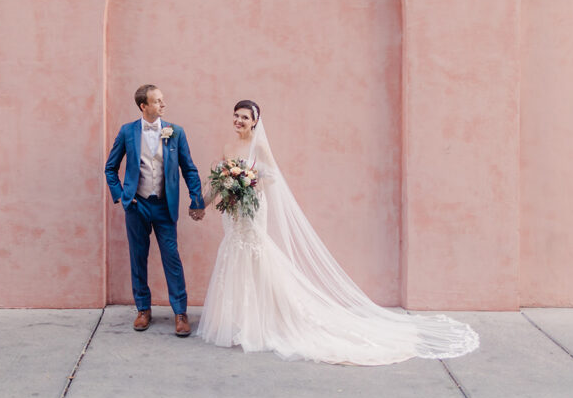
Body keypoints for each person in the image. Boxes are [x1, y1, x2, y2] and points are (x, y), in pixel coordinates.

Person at [197, 100, 479, 365]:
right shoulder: (228, 146)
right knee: (234, 255)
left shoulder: (259, 149)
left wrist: (246, 186)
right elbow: (219, 180)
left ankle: (267, 320)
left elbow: (271, 179)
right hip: (233, 213)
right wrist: (201, 205)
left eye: (244, 117)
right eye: (236, 116)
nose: (238, 120)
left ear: (255, 122)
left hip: (253, 210)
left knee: (256, 256)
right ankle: (241, 322)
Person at [105, 84, 205, 336]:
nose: (163, 104)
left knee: (172, 259)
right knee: (138, 258)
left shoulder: (175, 132)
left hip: (164, 206)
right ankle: (143, 309)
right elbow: (110, 168)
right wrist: (122, 197)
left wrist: (196, 198)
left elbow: (189, 169)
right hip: (137, 206)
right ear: (143, 106)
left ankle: (180, 313)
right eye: (158, 101)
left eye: (162, 100)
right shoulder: (127, 131)